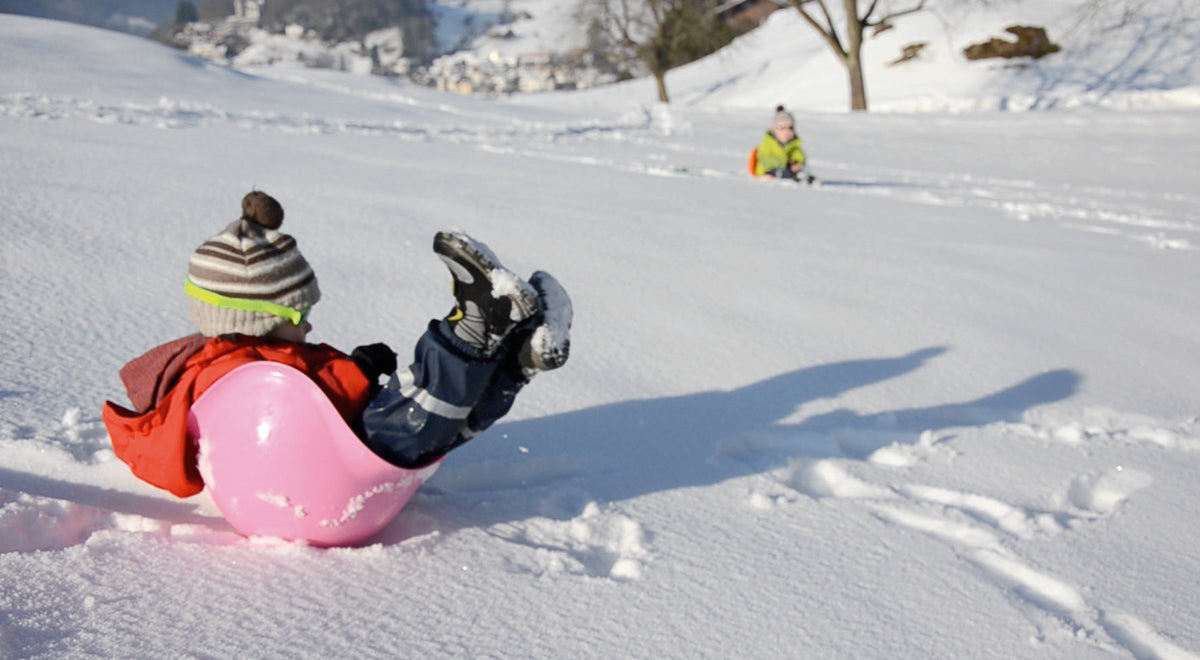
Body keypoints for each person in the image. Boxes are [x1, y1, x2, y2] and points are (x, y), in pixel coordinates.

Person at [102, 190, 571, 498]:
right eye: (299, 315)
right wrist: (359, 373)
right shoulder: (236, 372)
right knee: (400, 421)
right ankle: (476, 327)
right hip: (315, 496)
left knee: (444, 422)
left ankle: (514, 357)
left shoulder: (234, 360)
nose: (308, 327)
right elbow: (304, 412)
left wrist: (354, 369)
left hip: (307, 489)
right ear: (255, 320)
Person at [753, 105, 812, 183]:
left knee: (798, 172)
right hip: (767, 171)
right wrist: (786, 163)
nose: (786, 132)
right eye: (782, 127)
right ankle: (795, 178)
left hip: (787, 169)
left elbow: (799, 155)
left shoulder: (792, 144)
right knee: (784, 173)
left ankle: (805, 178)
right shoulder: (768, 143)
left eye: (790, 128)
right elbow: (765, 160)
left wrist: (798, 163)